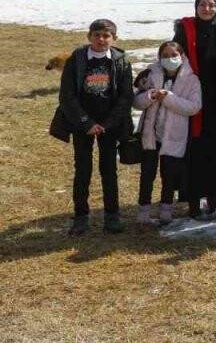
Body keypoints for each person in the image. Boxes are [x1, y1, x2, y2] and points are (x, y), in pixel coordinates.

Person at [59, 19, 134, 235]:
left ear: (114, 38)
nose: (101, 39)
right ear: (89, 36)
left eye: (106, 36)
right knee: (82, 169)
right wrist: (86, 123)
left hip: (109, 125)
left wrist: (107, 124)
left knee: (108, 169)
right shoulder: (77, 59)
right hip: (82, 123)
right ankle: (80, 216)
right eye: (97, 35)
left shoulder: (120, 61)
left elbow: (126, 96)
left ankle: (112, 216)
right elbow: (67, 95)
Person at [173, 0, 216, 219]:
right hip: (192, 93)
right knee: (194, 149)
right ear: (196, 6)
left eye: (212, 5)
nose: (207, 8)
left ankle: (213, 195)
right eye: (203, 4)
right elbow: (174, 57)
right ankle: (192, 199)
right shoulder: (185, 28)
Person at [133, 41, 202, 227]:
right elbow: (136, 101)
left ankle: (166, 209)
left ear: (182, 56)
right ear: (159, 58)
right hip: (151, 134)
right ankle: (144, 210)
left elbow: (194, 107)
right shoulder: (150, 75)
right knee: (147, 173)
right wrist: (150, 96)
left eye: (174, 55)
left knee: (169, 174)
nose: (170, 59)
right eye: (165, 56)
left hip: (173, 135)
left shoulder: (191, 79)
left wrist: (169, 98)